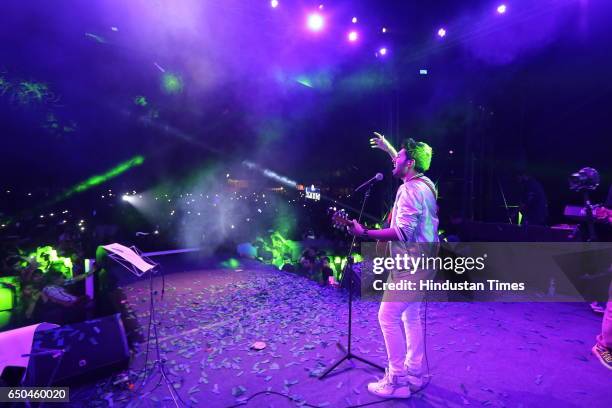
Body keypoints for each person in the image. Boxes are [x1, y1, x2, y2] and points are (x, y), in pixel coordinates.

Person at [348, 133, 439, 399]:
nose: (394, 161)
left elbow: (401, 232)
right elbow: (406, 162)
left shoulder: (409, 189)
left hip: (412, 266)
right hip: (425, 261)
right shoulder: (426, 184)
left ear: (409, 164)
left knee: (387, 317)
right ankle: (415, 373)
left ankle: (396, 381)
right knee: (410, 316)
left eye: (398, 158)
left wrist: (364, 233)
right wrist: (390, 149)